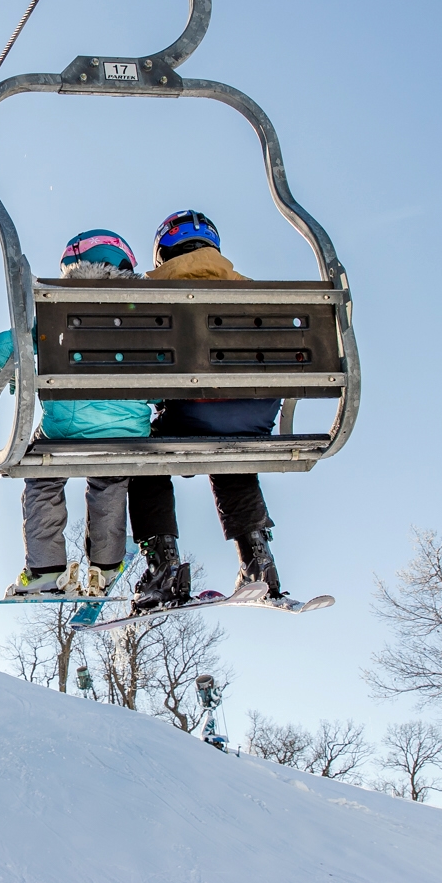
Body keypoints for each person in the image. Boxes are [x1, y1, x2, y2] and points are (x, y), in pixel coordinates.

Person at [126, 210, 285, 612]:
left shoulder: (148, 293)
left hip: (192, 412)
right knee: (232, 455)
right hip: (254, 414)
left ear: (163, 251)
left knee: (145, 461)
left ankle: (163, 567)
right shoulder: (251, 290)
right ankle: (257, 560)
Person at [0, 229, 151, 598]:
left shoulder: (55, 305)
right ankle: (106, 566)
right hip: (128, 432)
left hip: (65, 429)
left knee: (43, 479)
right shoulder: (146, 305)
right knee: (110, 482)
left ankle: (46, 569)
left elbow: (7, 346)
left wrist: (15, 366)